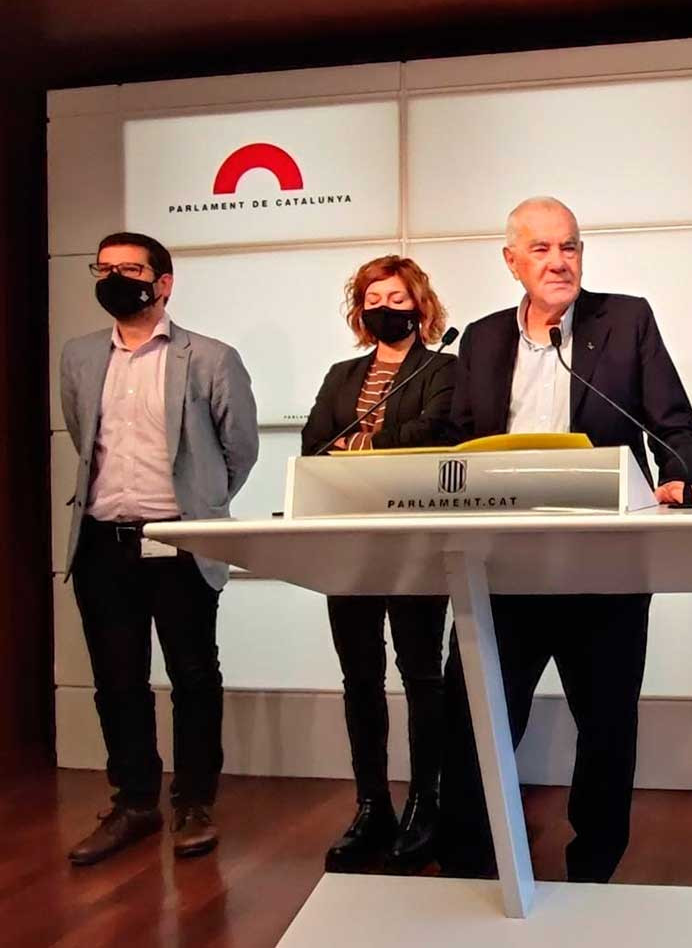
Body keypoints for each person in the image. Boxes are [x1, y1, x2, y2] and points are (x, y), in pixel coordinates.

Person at [437, 196, 692, 882]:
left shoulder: (624, 320)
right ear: (511, 262)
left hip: (604, 564)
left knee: (607, 728)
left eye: (570, 247)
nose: (559, 261)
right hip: (499, 568)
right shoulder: (479, 338)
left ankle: (593, 875)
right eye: (541, 249)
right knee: (473, 722)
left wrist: (679, 477)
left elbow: (674, 424)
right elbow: (453, 440)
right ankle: (471, 870)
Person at [59, 231, 258, 865]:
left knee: (194, 676)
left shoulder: (210, 357)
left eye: (131, 269)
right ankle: (134, 802)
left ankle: (194, 804)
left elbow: (240, 450)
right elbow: (81, 437)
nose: (114, 278)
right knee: (116, 679)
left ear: (163, 282)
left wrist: (200, 504)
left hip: (178, 538)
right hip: (102, 538)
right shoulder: (81, 355)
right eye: (105, 268)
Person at [301, 256, 457, 874]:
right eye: (372, 297)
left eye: (395, 297)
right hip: (348, 540)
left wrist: (356, 444)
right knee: (359, 676)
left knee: (422, 674)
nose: (382, 307)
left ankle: (426, 803)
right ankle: (373, 805)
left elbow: (433, 435)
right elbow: (314, 441)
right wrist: (352, 447)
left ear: (419, 305)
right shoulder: (342, 374)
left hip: (414, 540)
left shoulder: (444, 367)